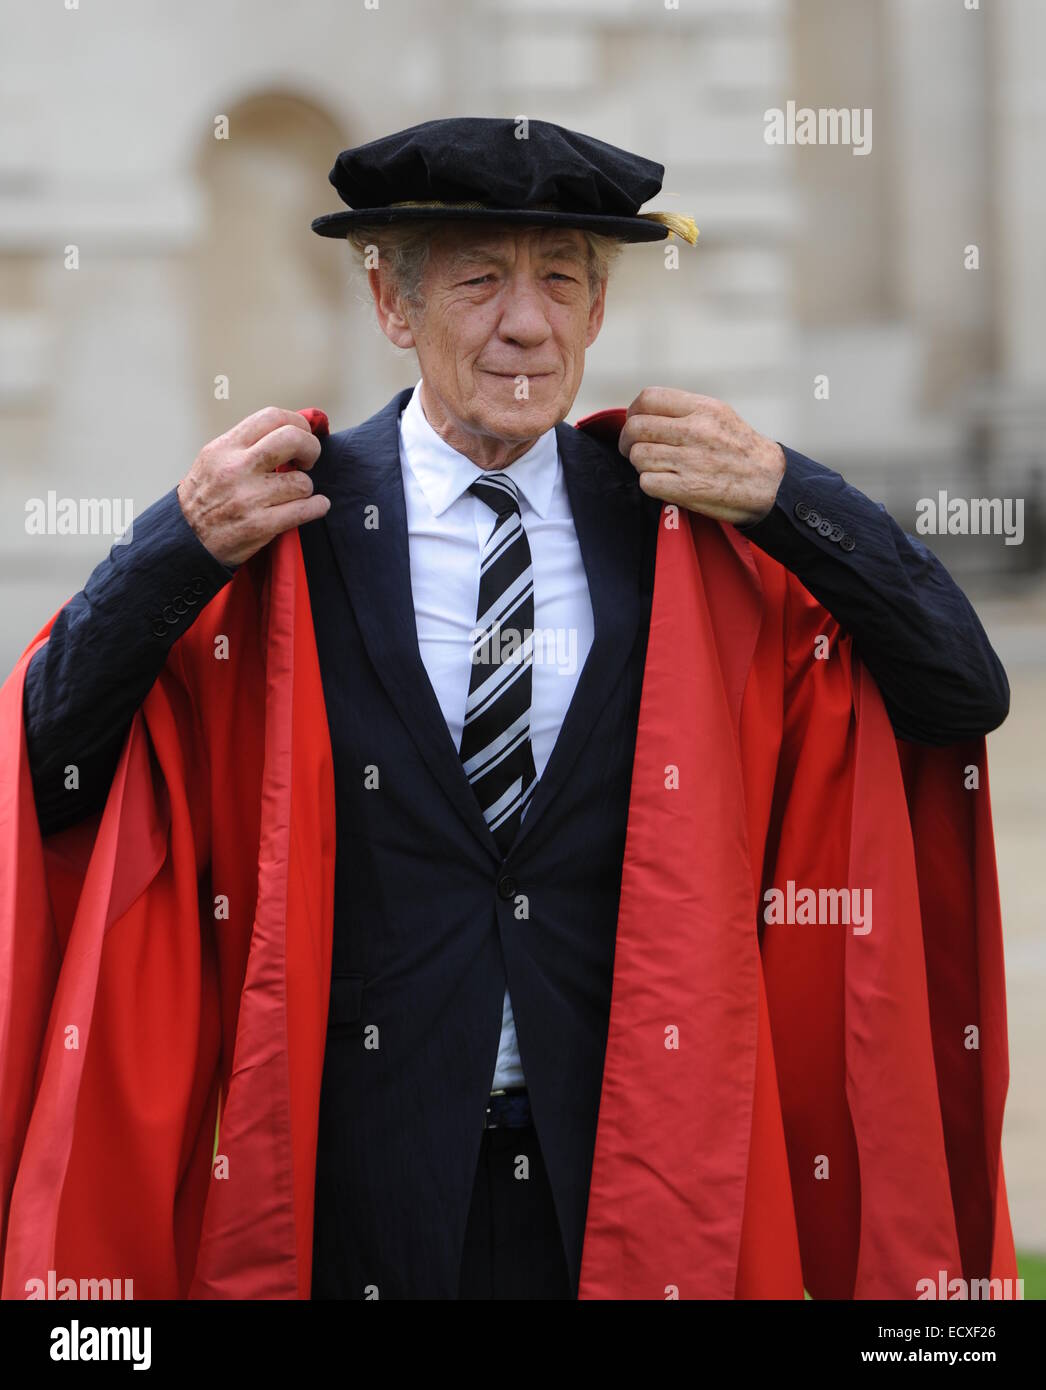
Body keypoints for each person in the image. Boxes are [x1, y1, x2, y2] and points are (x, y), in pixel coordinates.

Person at [5, 117, 1013, 1300]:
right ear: (391, 305)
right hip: (351, 1178)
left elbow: (959, 690)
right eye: (480, 280)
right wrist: (171, 542)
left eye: (562, 281)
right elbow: (52, 757)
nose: (524, 322)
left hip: (629, 1173)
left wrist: (795, 494)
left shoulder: (680, 532)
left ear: (594, 313)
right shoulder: (287, 529)